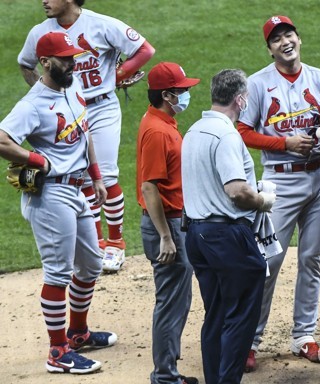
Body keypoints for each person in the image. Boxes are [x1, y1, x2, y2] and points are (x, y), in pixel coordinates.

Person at [0, 32, 117, 374]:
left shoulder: (73, 87)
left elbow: (85, 133)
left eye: (73, 57)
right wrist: (36, 160)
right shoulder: (32, 105)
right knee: (58, 273)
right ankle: (57, 352)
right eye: (66, 59)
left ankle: (77, 333)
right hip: (51, 196)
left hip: (77, 189)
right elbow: (2, 138)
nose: (73, 62)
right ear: (46, 63)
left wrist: (96, 175)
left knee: (92, 264)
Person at [237, 15, 320, 371]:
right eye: (276, 39)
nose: (285, 42)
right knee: (267, 262)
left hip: (319, 178)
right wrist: (283, 143)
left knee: (311, 259)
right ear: (269, 49)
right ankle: (249, 340)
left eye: (289, 34)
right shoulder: (257, 85)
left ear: (299, 38)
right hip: (279, 182)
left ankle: (304, 336)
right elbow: (241, 130)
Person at [18, 0, 155, 272]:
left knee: (105, 175)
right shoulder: (39, 32)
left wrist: (118, 75)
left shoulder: (101, 24)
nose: (44, 1)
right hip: (66, 112)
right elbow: (25, 64)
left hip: (100, 107)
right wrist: (47, 94)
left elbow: (144, 49)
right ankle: (94, 247)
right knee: (80, 180)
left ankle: (115, 244)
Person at [181, 69, 276, 384]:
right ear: (241, 99)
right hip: (227, 237)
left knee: (217, 315)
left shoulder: (193, 130)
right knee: (240, 317)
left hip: (196, 234)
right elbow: (236, 191)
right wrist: (262, 200)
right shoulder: (226, 135)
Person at [136, 62, 200, 384]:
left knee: (177, 299)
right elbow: (149, 187)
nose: (187, 94)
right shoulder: (158, 131)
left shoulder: (163, 121)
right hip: (168, 225)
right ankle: (164, 377)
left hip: (174, 222)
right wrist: (165, 236)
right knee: (171, 303)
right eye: (182, 91)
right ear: (166, 94)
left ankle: (169, 371)